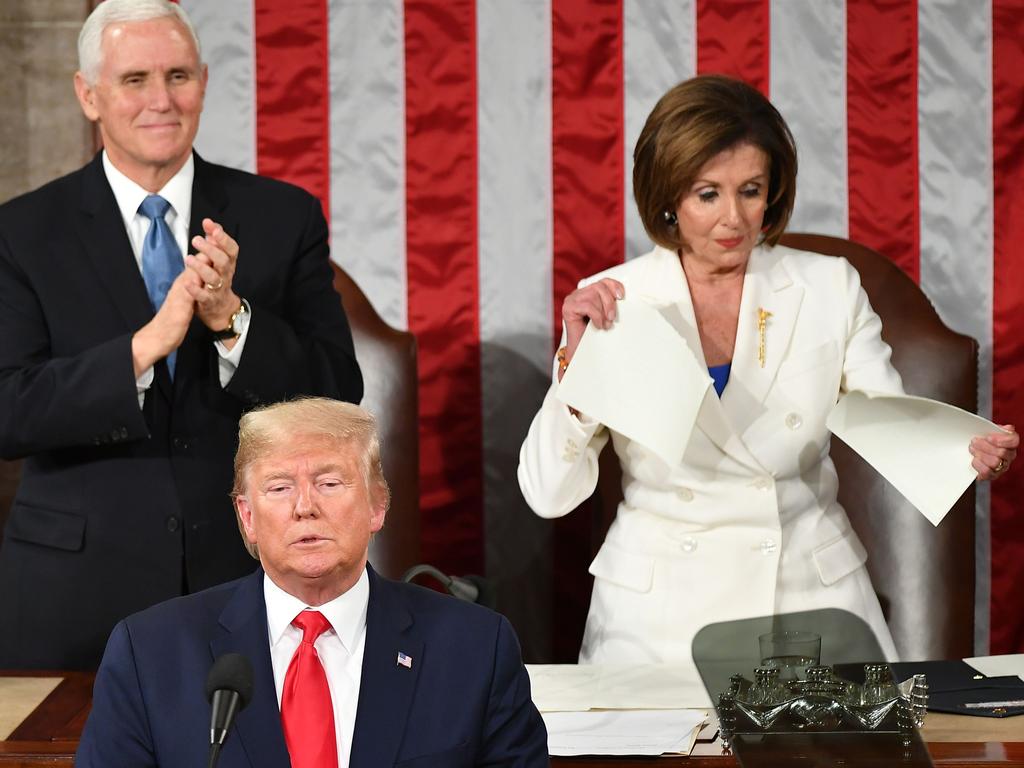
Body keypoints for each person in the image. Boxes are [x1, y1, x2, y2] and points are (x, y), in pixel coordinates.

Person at [518, 75, 1018, 666]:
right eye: (708, 194)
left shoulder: (829, 285)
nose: (733, 218)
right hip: (656, 624)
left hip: (809, 605)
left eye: (750, 190)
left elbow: (890, 423)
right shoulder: (613, 300)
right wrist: (577, 375)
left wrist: (963, 449)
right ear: (668, 197)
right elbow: (547, 493)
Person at [0, 0, 362, 670]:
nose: (160, 100)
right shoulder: (22, 232)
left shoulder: (282, 216)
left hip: (245, 579)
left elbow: (338, 391)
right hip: (72, 597)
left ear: (202, 80)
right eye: (135, 79)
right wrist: (144, 348)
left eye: (178, 76)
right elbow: (8, 408)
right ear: (89, 95)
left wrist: (232, 319)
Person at [76, 398, 549, 768]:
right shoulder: (150, 652)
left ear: (377, 505)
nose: (305, 507)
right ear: (247, 517)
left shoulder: (475, 648)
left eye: (329, 482)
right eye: (280, 487)